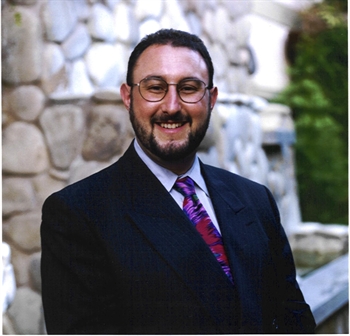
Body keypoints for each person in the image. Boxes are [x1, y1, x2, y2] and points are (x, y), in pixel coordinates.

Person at [41, 29, 315, 334]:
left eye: (188, 88)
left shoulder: (255, 199)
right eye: (155, 87)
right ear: (128, 97)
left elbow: (294, 318)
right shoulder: (78, 215)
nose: (171, 106)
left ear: (211, 99)